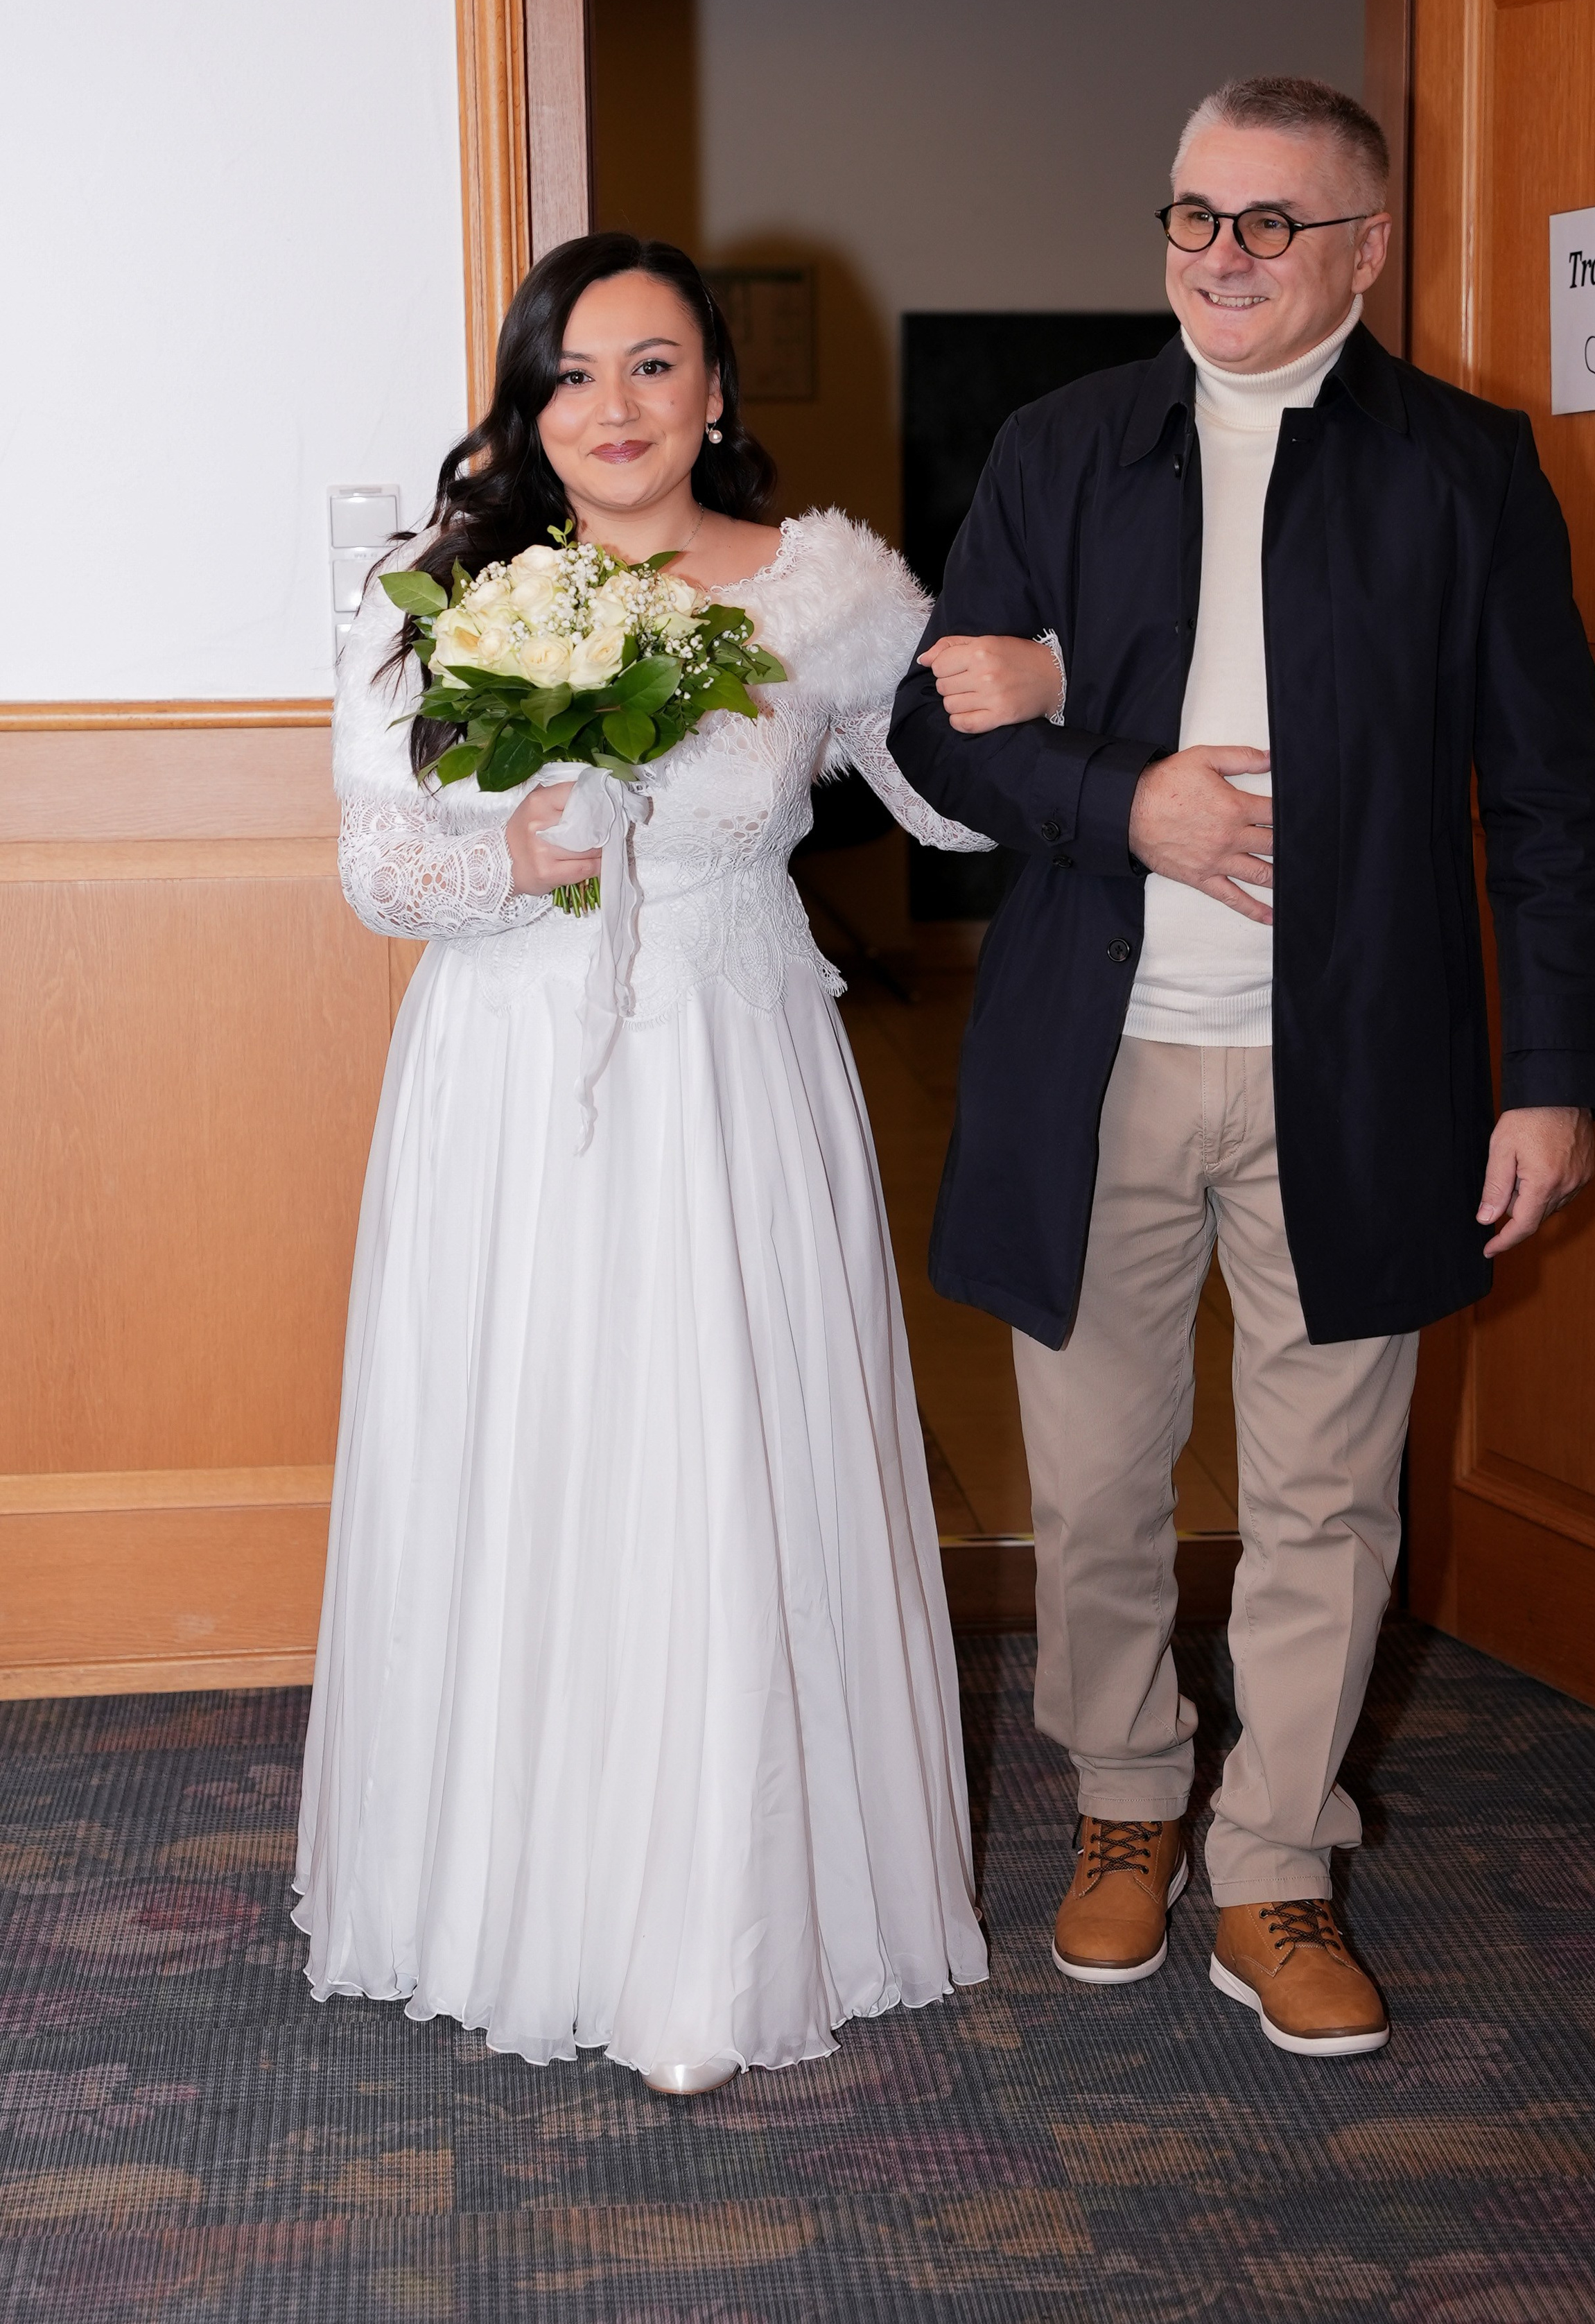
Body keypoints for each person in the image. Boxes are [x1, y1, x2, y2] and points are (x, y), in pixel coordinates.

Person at [887, 76, 1595, 2059]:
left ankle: (1277, 1860)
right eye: (1194, 216)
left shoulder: (1466, 469)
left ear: (1368, 248)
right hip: (1099, 1058)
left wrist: (1552, 1074)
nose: (1221, 255)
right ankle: (1128, 1804)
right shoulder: (1063, 447)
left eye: (1271, 223)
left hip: (1365, 1069)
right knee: (1101, 1479)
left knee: (1328, 1493)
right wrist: (1121, 792)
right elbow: (942, 733)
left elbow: (1552, 796)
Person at [296, 232, 1045, 2095]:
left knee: (721, 1450)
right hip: (503, 1074)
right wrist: (530, 859)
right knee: (531, 1443)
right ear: (527, 405)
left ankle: (717, 1920)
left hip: (726, 1053)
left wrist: (1022, 681)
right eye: (571, 373)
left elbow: (945, 803)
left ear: (717, 393)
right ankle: (510, 1896)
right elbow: (381, 871)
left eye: (653, 367)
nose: (611, 408)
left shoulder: (825, 590)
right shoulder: (437, 590)